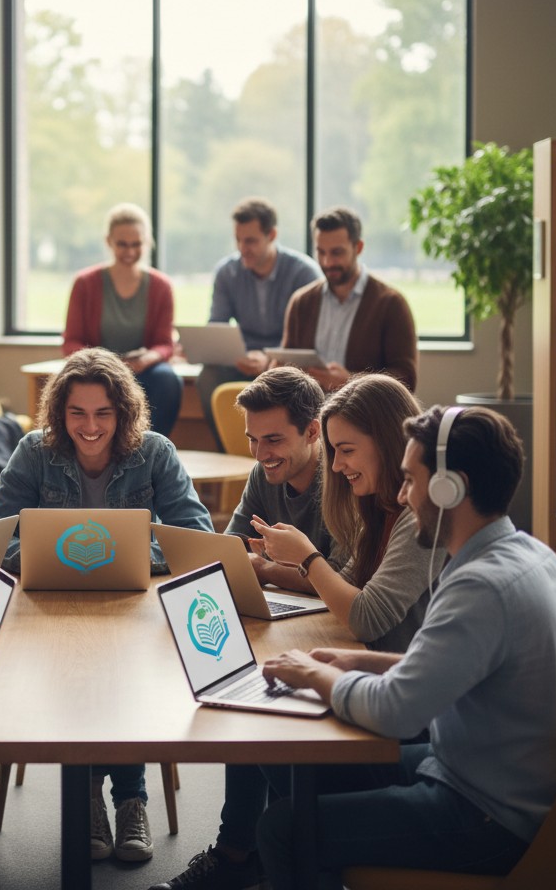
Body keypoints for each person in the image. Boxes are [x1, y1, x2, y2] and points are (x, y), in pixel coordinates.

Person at [251, 405, 556, 888]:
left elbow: (395, 713)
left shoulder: (481, 585)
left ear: (451, 488)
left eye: (411, 480)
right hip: (485, 772)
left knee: (281, 829)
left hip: (488, 814)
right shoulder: (527, 554)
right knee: (296, 763)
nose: (403, 496)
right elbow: (453, 665)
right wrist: (355, 660)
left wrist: (313, 675)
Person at [149, 373, 440, 890]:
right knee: (254, 711)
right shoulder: (382, 509)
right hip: (384, 675)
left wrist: (302, 557)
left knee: (267, 749)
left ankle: (271, 855)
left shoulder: (414, 521)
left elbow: (364, 612)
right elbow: (344, 581)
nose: (337, 464)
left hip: (409, 718)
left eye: (345, 450)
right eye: (335, 450)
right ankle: (260, 856)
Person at [0, 347, 214, 865]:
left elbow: (195, 536)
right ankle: (91, 795)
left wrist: (129, 556)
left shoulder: (154, 452)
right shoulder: (33, 452)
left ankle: (127, 799)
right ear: (60, 415)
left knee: (124, 668)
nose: (90, 427)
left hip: (133, 603)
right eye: (77, 413)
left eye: (103, 413)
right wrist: (52, 555)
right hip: (49, 608)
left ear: (123, 413)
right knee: (78, 671)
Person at [196, 197, 319, 434]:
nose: (243, 248)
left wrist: (269, 359)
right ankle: (229, 448)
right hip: (243, 359)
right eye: (239, 240)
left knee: (293, 380)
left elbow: (308, 339)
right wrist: (238, 355)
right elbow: (217, 326)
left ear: (272, 235)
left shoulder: (303, 273)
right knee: (208, 376)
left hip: (287, 361)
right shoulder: (227, 272)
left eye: (250, 241)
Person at [63, 202, 182, 436]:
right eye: (122, 244)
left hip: (142, 369)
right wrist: (99, 362)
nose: (129, 252)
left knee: (168, 381)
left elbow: (164, 343)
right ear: (109, 242)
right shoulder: (85, 283)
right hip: (96, 370)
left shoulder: (161, 286)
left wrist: (146, 358)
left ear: (147, 242)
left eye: (136, 245)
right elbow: (71, 341)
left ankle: (150, 449)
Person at [281, 205, 418, 392]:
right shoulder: (301, 302)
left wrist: (352, 381)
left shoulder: (391, 304)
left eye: (337, 252)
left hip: (365, 418)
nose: (328, 262)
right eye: (321, 252)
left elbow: (407, 379)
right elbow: (287, 361)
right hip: (307, 416)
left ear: (358, 247)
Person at [222, 366, 332, 571]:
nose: (260, 455)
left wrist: (266, 569)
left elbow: (343, 577)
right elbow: (229, 550)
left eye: (273, 440)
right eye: (253, 440)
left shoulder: (342, 475)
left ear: (312, 432)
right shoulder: (262, 473)